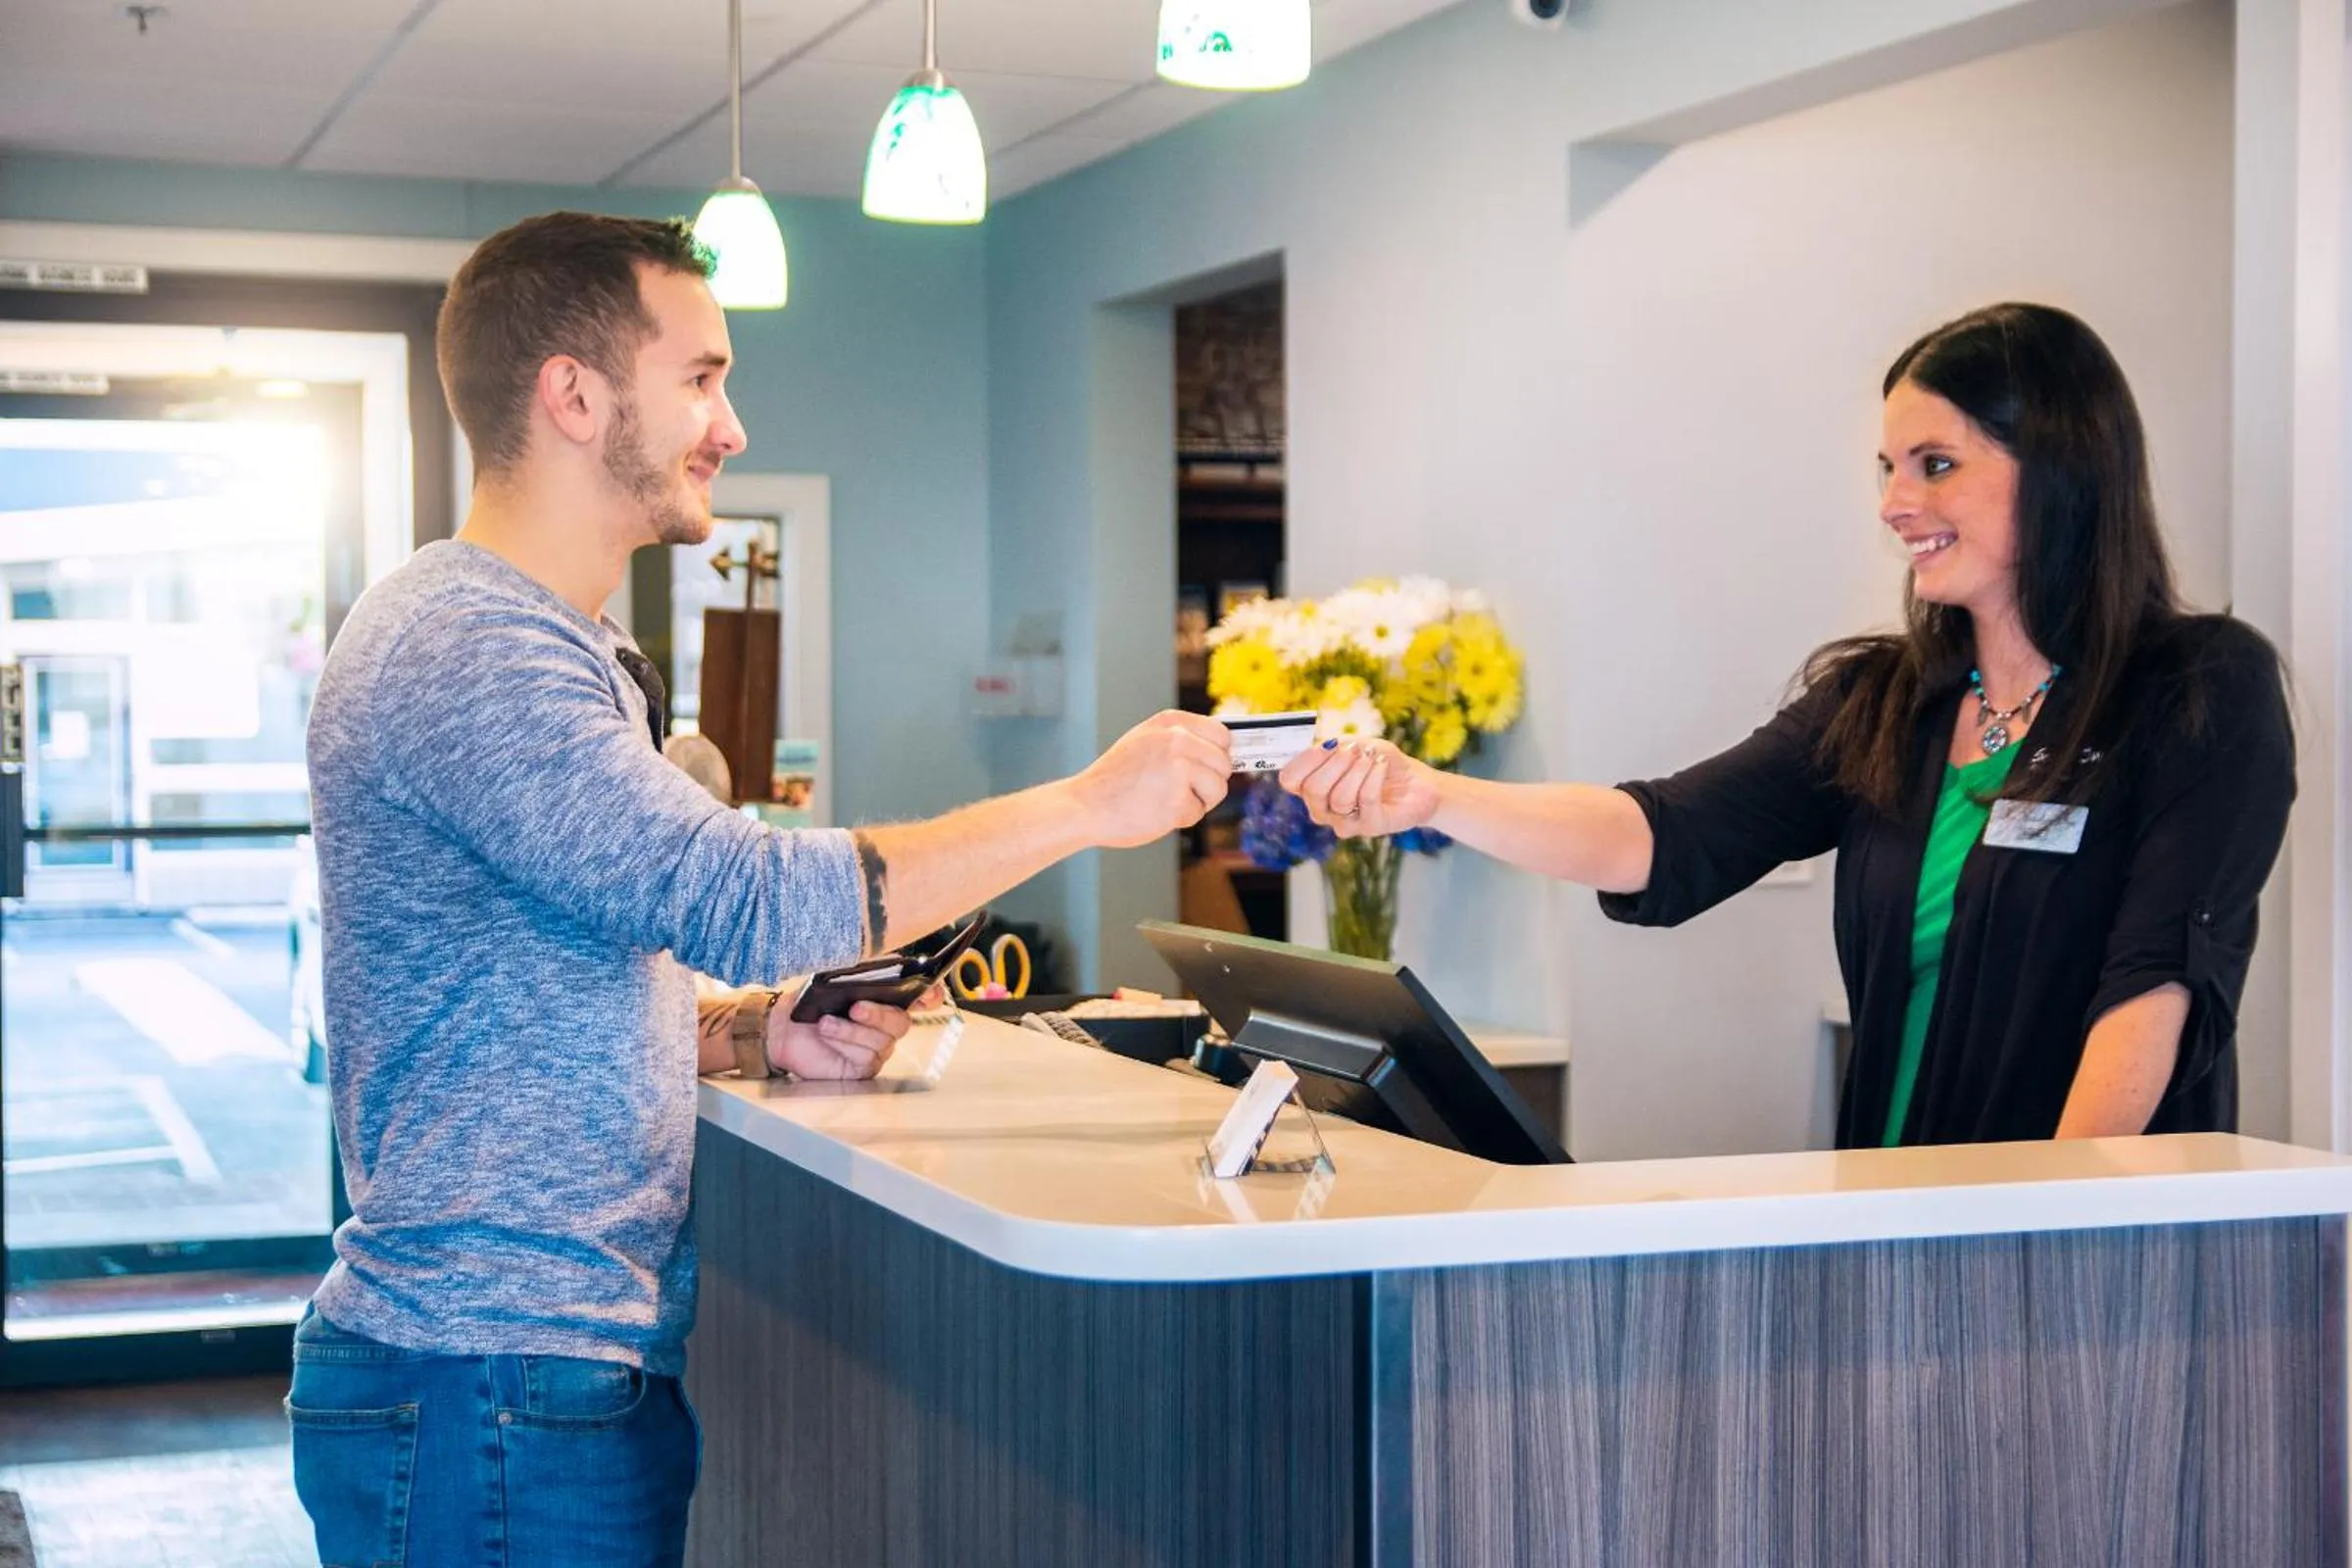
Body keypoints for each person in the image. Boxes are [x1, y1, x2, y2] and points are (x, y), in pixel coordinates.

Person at [287, 211, 1233, 1567]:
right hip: (485, 1384)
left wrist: (749, 1031)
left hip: (525, 1375)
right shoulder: (471, 646)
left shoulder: (558, 642)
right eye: (702, 377)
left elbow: (545, 979)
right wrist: (1090, 804)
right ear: (572, 393)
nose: (729, 424)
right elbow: (738, 894)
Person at [1283, 303, 2294, 1151]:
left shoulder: (2199, 689)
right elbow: (1666, 835)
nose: (1897, 503)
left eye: (1935, 464)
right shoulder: (1887, 700)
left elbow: (2152, 993)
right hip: (1886, 1222)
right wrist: (1435, 795)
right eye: (1888, 467)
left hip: (2088, 1259)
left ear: (2064, 467)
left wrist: (2044, 1231)